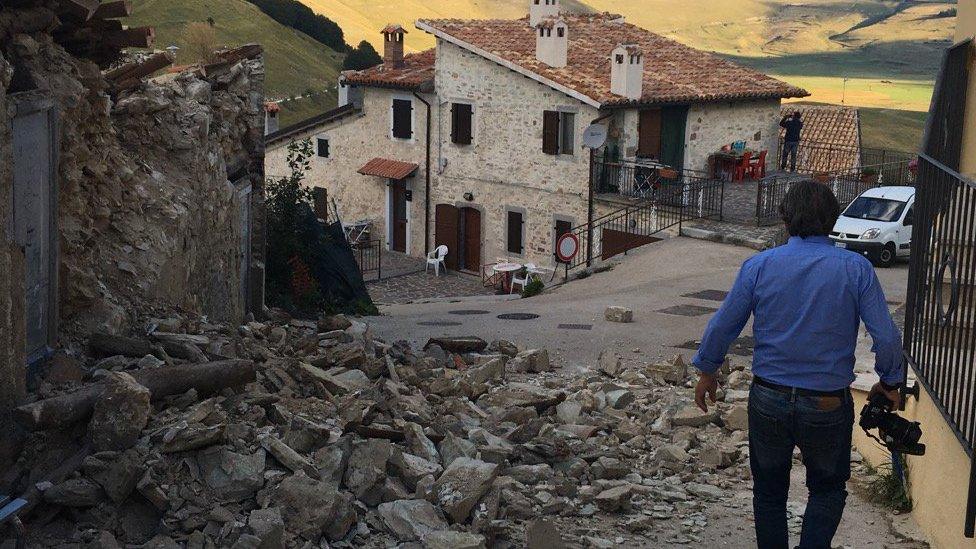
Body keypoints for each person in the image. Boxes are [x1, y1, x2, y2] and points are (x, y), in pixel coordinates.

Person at [691, 181, 904, 549]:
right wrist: (889, 382)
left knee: (770, 493)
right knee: (827, 489)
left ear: (785, 219)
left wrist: (708, 371)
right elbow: (886, 337)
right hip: (827, 403)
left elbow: (723, 324)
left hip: (769, 397)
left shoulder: (759, 265)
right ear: (833, 220)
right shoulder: (856, 269)